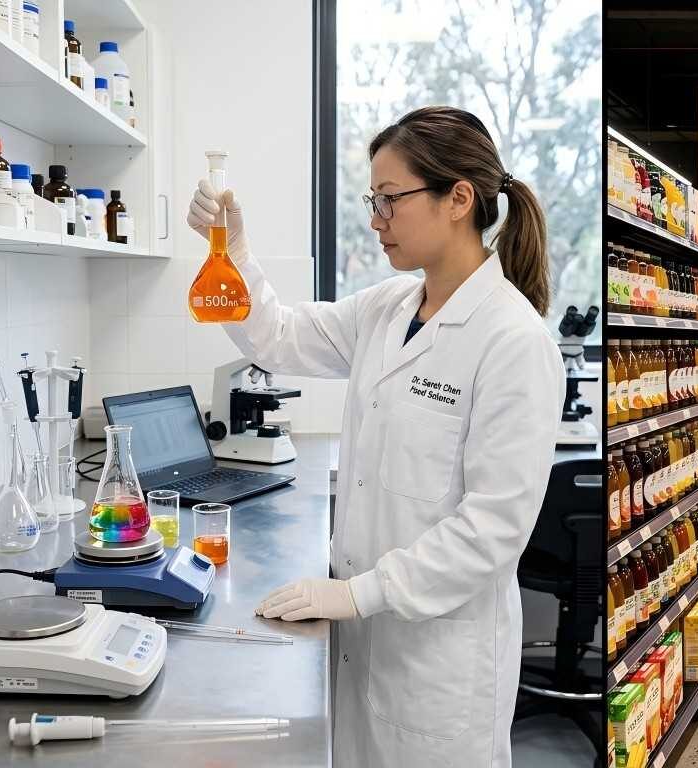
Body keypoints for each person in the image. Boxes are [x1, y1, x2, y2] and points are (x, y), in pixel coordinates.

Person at [185, 106, 565, 768]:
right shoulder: (385, 309)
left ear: (458, 199)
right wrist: (233, 251)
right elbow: (277, 336)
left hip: (440, 669)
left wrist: (356, 594)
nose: (375, 219)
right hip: (365, 649)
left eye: (390, 200)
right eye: (373, 200)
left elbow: (493, 529)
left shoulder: (513, 340)